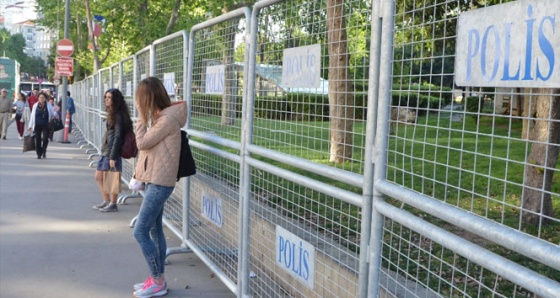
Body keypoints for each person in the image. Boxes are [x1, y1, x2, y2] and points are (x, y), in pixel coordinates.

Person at [131, 77, 186, 298]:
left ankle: (157, 280)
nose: (139, 103)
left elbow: (143, 143)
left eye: (140, 99)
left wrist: (140, 120)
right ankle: (157, 277)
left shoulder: (166, 121)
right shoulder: (162, 118)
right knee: (154, 230)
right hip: (157, 180)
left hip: (160, 183)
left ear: (149, 98)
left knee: (140, 230)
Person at [92, 88, 133, 212]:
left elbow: (118, 136)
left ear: (115, 100)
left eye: (109, 97)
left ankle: (113, 203)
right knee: (99, 176)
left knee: (112, 177)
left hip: (111, 151)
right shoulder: (111, 113)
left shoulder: (118, 115)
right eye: (106, 97)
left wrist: (113, 156)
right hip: (105, 150)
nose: (106, 100)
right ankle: (107, 200)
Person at [27, 92, 56, 159]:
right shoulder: (35, 105)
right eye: (40, 97)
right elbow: (32, 116)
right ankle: (39, 153)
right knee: (38, 139)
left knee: (45, 139)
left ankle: (44, 150)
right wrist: (30, 126)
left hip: (46, 125)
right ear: (38, 98)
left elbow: (52, 113)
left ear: (45, 98)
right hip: (37, 125)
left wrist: (55, 114)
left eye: (43, 97)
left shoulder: (48, 105)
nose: (41, 99)